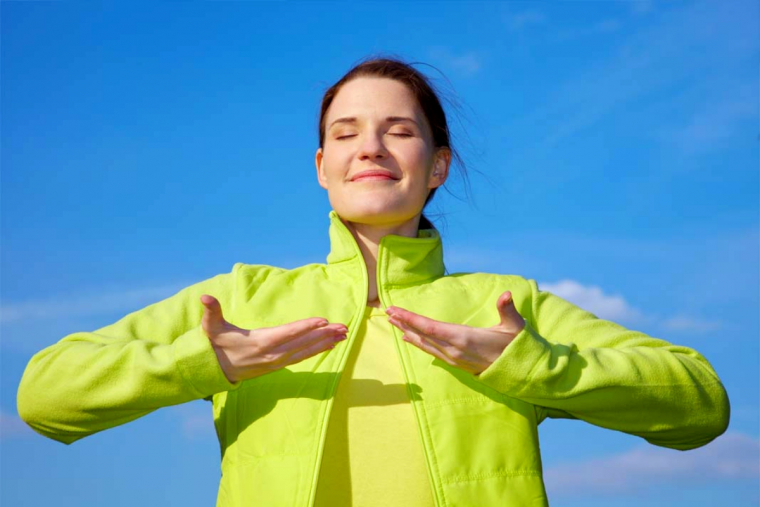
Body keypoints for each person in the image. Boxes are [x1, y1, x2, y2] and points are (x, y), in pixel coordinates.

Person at [17, 56, 730, 507]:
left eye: (400, 129)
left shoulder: (504, 305)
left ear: (439, 164)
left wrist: (529, 364)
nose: (371, 146)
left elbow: (700, 404)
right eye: (348, 130)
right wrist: (206, 361)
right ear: (322, 164)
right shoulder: (239, 300)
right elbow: (46, 394)